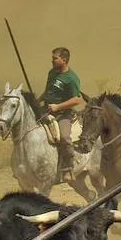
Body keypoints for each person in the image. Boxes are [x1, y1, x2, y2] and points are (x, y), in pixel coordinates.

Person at [36, 47, 82, 184]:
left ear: (64, 60)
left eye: (55, 58)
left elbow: (76, 100)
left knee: (65, 138)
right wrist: (38, 101)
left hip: (63, 114)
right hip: (46, 110)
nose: (52, 61)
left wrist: (58, 107)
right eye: (52, 58)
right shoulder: (52, 73)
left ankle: (68, 168)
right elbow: (48, 91)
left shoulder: (71, 78)